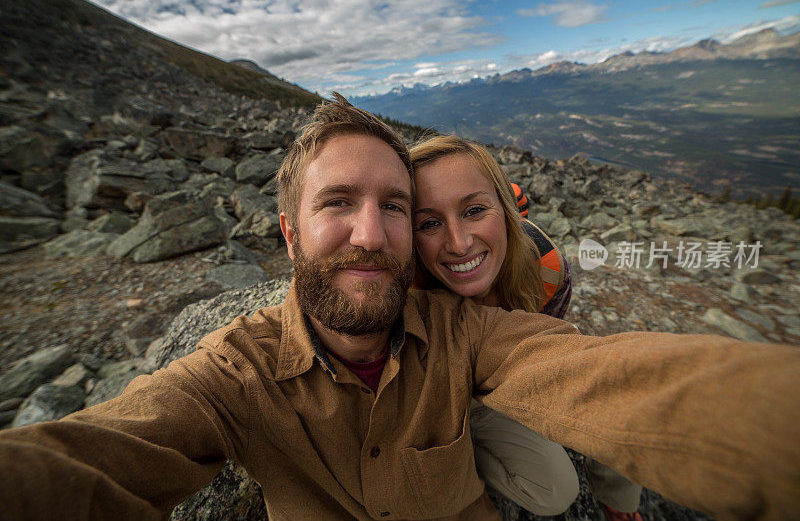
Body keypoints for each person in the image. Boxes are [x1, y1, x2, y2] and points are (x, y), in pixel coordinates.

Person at [0, 94, 798, 520]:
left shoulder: (466, 328)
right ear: (287, 232)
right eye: (338, 202)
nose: (371, 232)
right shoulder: (234, 372)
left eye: (392, 205)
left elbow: (618, 383)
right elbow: (91, 458)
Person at [410, 134, 643, 520]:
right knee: (554, 491)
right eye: (430, 222)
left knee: (619, 390)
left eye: (474, 211)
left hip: (508, 372)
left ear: (506, 209)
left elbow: (542, 352)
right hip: (449, 395)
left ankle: (615, 497)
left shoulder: (546, 269)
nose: (459, 242)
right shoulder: (403, 287)